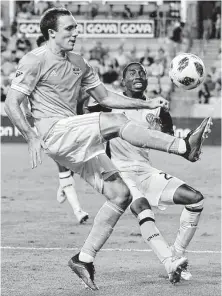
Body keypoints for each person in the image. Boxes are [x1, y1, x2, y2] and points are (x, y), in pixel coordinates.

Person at [4, 8, 212, 291]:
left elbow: (104, 96)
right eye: (69, 29)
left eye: (76, 28)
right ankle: (183, 147)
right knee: (114, 120)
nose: (76, 32)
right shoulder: (34, 60)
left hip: (76, 141)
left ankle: (84, 257)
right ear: (51, 33)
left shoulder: (79, 62)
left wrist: (145, 103)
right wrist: (30, 136)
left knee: (120, 194)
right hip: (55, 132)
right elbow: (12, 102)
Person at [79, 62, 212, 284]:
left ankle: (177, 251)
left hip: (146, 171)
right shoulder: (110, 104)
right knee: (141, 207)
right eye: (132, 72)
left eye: (142, 72)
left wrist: (190, 148)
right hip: (120, 172)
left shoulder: (157, 108)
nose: (138, 75)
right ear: (123, 80)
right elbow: (85, 110)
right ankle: (169, 262)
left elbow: (169, 141)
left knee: (195, 200)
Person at [23, 34, 89, 224]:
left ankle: (64, 185)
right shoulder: (33, 67)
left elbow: (81, 94)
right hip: (48, 125)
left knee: (76, 162)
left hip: (71, 120)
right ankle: (78, 211)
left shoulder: (66, 66)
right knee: (64, 164)